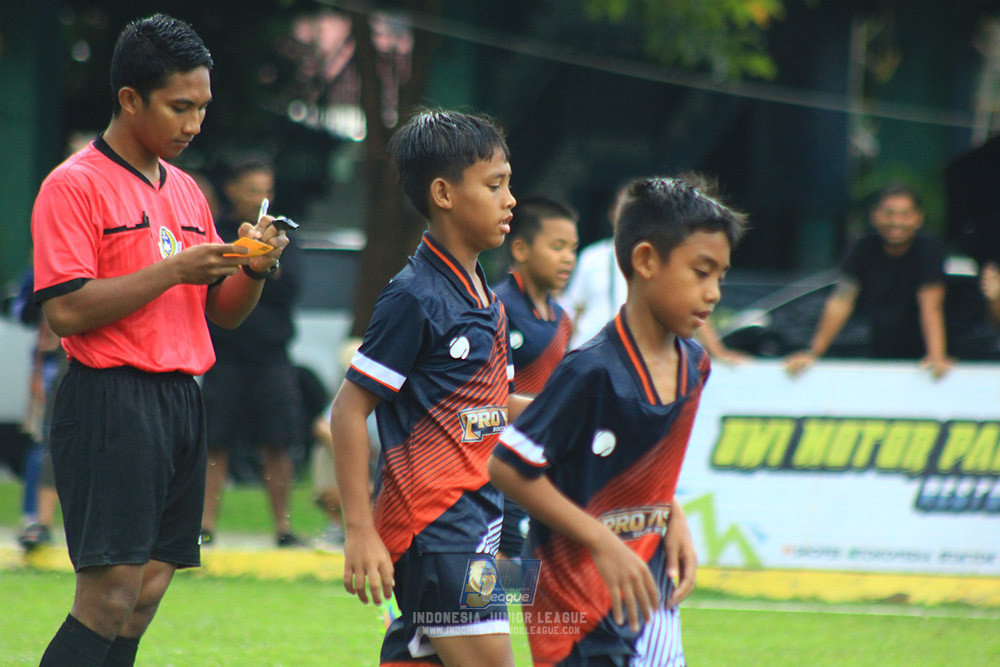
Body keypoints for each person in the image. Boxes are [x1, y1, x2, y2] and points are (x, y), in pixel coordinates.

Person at [30, 14, 288, 666]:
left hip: (180, 401)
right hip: (111, 399)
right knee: (108, 595)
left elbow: (223, 314)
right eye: (180, 107)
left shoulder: (187, 192)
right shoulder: (74, 184)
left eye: (202, 107)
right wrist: (172, 269)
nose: (194, 122)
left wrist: (253, 267)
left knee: (145, 593)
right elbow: (65, 311)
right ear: (129, 98)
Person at [489, 174, 748, 666]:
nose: (714, 293)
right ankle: (428, 604)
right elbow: (507, 466)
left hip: (645, 581)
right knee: (474, 603)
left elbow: (647, 461)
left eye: (721, 276)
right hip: (571, 598)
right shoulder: (585, 366)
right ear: (646, 260)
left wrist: (672, 514)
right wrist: (602, 541)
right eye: (701, 272)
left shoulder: (696, 364)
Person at [329, 109, 530, 667]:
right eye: (495, 185)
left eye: (509, 183)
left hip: (476, 520)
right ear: (443, 193)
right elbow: (348, 411)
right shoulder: (414, 296)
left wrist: (572, 413)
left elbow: (492, 407)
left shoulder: (486, 297)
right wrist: (359, 531)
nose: (510, 199)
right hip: (436, 527)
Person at [200, 154, 306, 548]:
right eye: (253, 190)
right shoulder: (218, 231)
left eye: (267, 190)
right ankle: (205, 526)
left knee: (278, 441)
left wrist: (264, 263)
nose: (262, 197)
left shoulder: (282, 234)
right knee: (214, 441)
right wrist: (244, 256)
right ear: (233, 190)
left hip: (270, 357)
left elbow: (292, 287)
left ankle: (284, 527)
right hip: (225, 354)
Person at [785, 183, 953, 378]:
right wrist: (813, 353)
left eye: (904, 214)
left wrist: (937, 356)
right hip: (878, 345)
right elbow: (841, 301)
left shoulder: (928, 248)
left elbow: (931, 306)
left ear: (918, 218)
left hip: (923, 351)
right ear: (875, 216)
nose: (896, 222)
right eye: (889, 213)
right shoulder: (862, 245)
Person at [492, 196, 578, 559]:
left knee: (524, 574)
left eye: (572, 248)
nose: (568, 258)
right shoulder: (494, 307)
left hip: (537, 457)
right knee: (497, 571)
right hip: (495, 459)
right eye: (557, 247)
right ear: (521, 249)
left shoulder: (562, 319)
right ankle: (412, 609)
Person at [562, 209, 747, 362]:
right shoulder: (592, 257)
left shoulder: (669, 261)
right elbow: (576, 310)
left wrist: (717, 351)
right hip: (593, 350)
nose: (714, 294)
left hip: (638, 356)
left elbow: (693, 304)